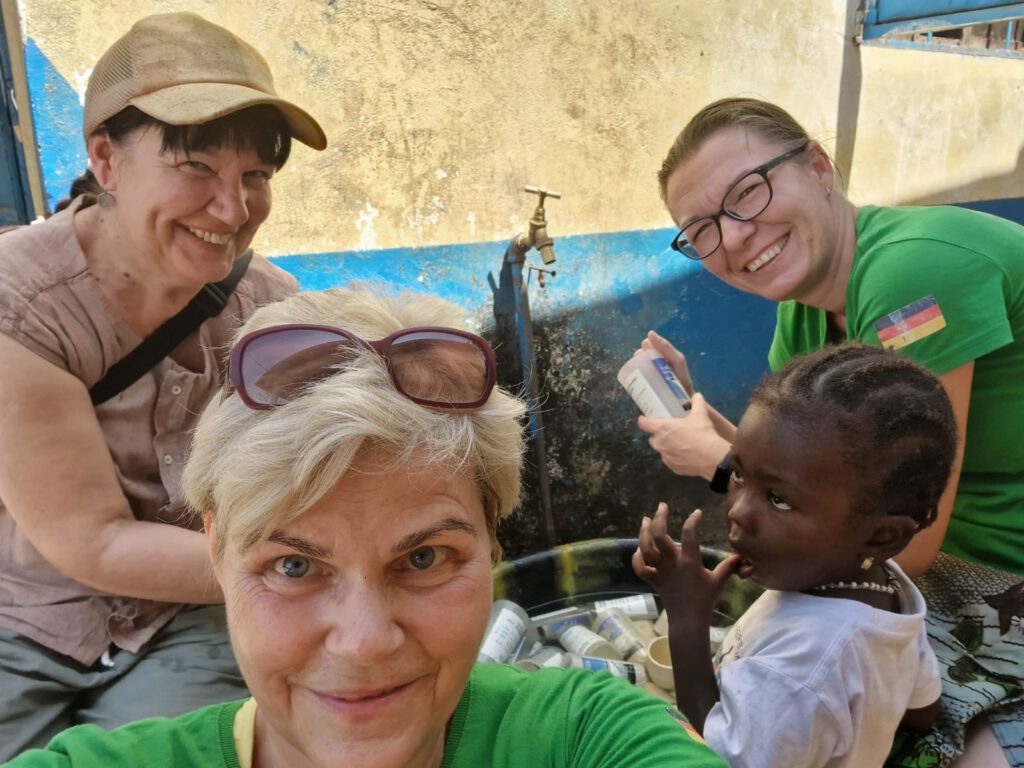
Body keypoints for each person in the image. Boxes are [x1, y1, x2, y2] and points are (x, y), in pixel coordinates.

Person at [5, 284, 730, 768]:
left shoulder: (581, 738)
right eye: (293, 566)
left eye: (423, 559)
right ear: (219, 555)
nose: (363, 642)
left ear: (490, 548)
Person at [637, 96, 1024, 767]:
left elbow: (909, 542)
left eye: (748, 193)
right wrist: (699, 411)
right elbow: (804, 467)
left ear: (819, 166)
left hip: (994, 580)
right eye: (700, 229)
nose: (731, 239)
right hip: (926, 585)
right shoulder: (804, 314)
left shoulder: (914, 274)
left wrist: (720, 466)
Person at [0, 11, 326, 758]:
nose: (233, 210)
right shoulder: (19, 305)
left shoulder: (269, 310)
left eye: (255, 176)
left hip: (189, 615)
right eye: (198, 168)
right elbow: (94, 542)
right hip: (24, 615)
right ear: (106, 160)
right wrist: (310, 566)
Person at [634, 343, 954, 767]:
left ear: (883, 535)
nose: (738, 511)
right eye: (740, 475)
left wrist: (687, 618)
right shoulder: (885, 587)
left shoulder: (799, 670)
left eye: (779, 500)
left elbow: (709, 758)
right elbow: (922, 710)